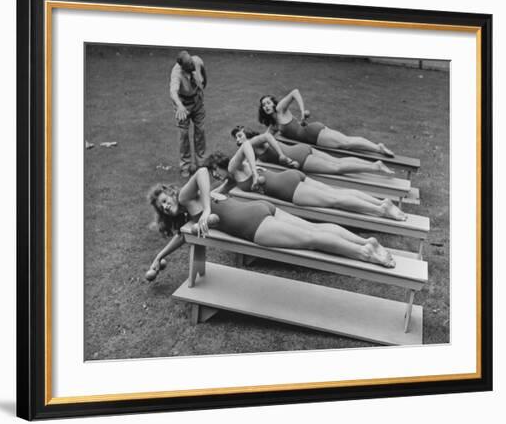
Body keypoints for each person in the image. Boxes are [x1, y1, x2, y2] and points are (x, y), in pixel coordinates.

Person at [145, 167, 396, 282]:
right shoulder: (188, 216)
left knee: (312, 239)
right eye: (163, 207)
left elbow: (201, 171)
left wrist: (207, 211)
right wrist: (159, 256)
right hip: (259, 210)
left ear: (171, 192)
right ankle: (367, 242)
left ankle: (364, 252)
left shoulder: (186, 198)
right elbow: (182, 237)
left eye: (165, 200)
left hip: (253, 225)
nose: (167, 205)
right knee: (314, 229)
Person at [203, 147, 407, 221]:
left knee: (335, 200)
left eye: (214, 171)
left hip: (287, 189)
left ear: (218, 164)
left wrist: (255, 174)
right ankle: (382, 203)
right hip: (291, 176)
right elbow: (216, 192)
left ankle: (380, 209)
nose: (215, 175)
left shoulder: (232, 167)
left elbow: (247, 144)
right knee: (337, 192)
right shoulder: (232, 177)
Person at [258, 89, 395, 157]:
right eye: (264, 105)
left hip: (313, 133)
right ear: (263, 109)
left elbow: (295, 92)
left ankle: (378, 148)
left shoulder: (280, 109)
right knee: (346, 144)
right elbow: (264, 139)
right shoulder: (273, 126)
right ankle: (377, 148)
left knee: (346, 143)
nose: (267, 106)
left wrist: (302, 111)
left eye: (268, 102)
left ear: (273, 103)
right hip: (312, 139)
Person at [231, 125, 394, 176]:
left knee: (336, 168)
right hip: (302, 150)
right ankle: (374, 163)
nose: (238, 140)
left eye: (239, 136)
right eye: (236, 139)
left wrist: (281, 155)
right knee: (337, 161)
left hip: (299, 159)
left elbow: (268, 137)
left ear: (246, 133)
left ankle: (374, 167)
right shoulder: (251, 147)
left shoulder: (253, 142)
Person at [170, 50, 208, 178]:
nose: (192, 66)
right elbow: (173, 92)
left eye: (191, 62)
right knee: (184, 134)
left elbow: (204, 75)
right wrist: (180, 106)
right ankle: (185, 166)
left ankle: (201, 163)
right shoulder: (176, 73)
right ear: (182, 67)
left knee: (200, 130)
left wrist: (201, 89)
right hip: (183, 104)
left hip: (197, 101)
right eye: (188, 65)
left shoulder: (197, 60)